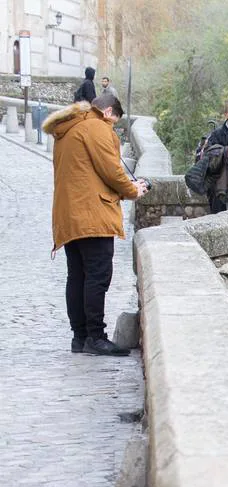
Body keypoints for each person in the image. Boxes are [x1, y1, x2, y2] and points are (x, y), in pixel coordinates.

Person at [42, 95, 147, 356]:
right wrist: (133, 190)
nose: (113, 127)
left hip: (69, 214)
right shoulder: (97, 126)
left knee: (77, 276)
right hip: (93, 214)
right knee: (98, 276)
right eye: (115, 122)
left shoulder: (68, 128)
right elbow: (111, 170)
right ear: (109, 112)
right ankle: (96, 337)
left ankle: (79, 337)